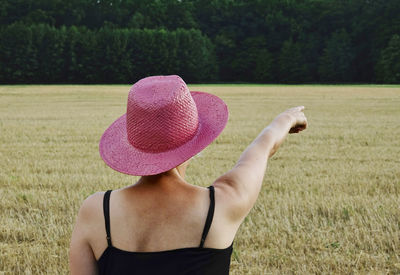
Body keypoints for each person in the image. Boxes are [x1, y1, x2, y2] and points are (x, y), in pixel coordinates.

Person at [69, 75, 307, 274]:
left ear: (133, 146)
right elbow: (262, 150)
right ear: (194, 145)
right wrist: (285, 119)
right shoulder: (222, 204)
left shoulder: (97, 211)